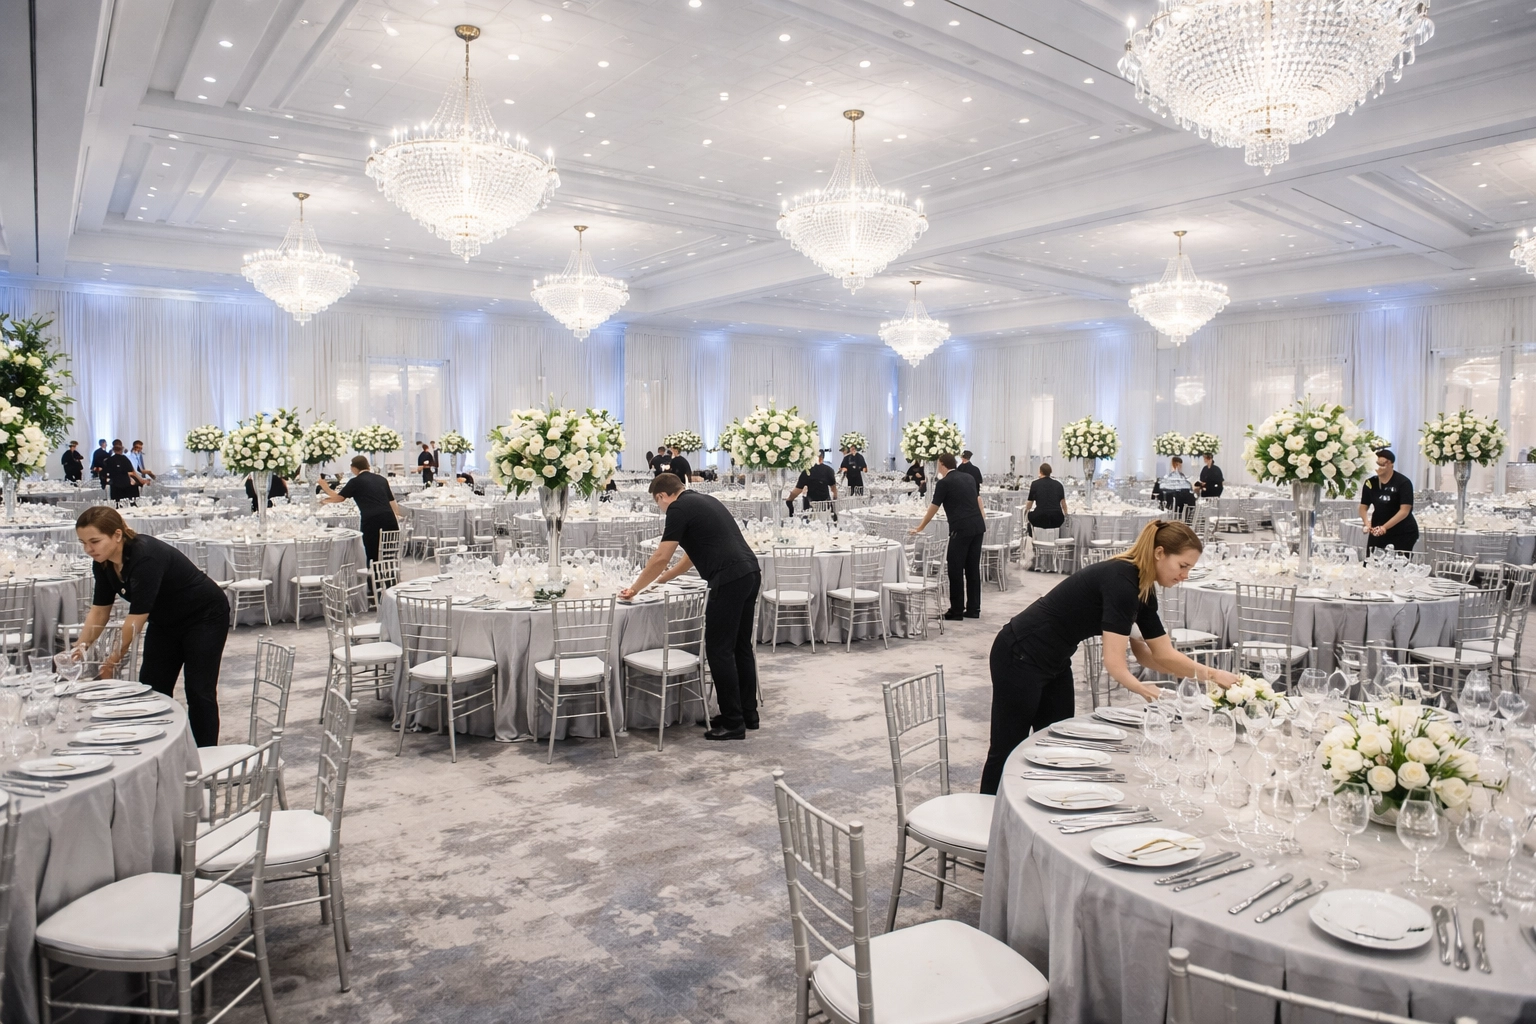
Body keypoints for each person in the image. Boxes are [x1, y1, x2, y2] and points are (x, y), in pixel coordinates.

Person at [978, 519, 1241, 793]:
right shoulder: (1122, 582)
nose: (1185, 575)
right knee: (1007, 747)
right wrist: (1147, 691)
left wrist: (1211, 676)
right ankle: (989, 813)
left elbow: (1159, 655)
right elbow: (1114, 664)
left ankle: (1043, 800)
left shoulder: (1143, 589)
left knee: (1059, 742)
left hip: (1055, 659)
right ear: (1159, 553)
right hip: (1019, 651)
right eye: (1183, 566)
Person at [72, 506, 230, 746]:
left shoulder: (145, 557)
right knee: (152, 687)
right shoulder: (103, 563)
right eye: (83, 543)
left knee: (199, 690)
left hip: (204, 615)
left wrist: (112, 660)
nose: (88, 549)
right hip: (165, 619)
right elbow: (100, 610)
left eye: (94, 541)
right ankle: (159, 749)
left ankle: (205, 756)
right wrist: (80, 646)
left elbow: (136, 618)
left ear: (117, 535)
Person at [621, 473, 762, 741]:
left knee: (719, 650)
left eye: (658, 503)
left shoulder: (677, 508)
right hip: (750, 572)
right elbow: (690, 557)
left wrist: (635, 588)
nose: (661, 509)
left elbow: (661, 556)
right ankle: (748, 714)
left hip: (729, 578)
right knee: (741, 647)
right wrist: (662, 580)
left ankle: (733, 722)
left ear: (661, 496)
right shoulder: (704, 500)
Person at [910, 453, 986, 620]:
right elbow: (977, 499)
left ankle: (956, 610)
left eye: (938, 464)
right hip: (977, 526)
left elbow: (934, 507)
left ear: (942, 464)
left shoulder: (944, 483)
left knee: (955, 569)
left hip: (961, 528)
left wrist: (921, 526)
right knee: (972, 568)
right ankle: (974, 609)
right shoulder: (968, 478)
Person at [319, 455, 403, 564]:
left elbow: (339, 498)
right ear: (367, 466)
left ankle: (373, 574)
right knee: (389, 553)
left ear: (354, 468)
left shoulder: (355, 482)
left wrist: (325, 490)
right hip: (390, 521)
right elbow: (392, 501)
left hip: (372, 522)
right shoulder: (381, 479)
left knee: (372, 555)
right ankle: (390, 573)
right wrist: (397, 515)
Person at [1359, 449, 1419, 554]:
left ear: (1391, 464)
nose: (1378, 468)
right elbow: (1363, 506)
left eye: (1382, 464)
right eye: (1376, 464)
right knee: (1372, 559)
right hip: (1378, 527)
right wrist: (1366, 523)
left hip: (1402, 530)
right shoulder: (1370, 483)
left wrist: (1384, 527)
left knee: (1398, 562)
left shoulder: (1403, 482)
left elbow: (1404, 511)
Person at [1024, 463, 1068, 531]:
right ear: (1050, 472)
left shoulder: (1035, 484)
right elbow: (1063, 504)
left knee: (1030, 516)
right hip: (1056, 518)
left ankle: (1033, 535)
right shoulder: (1059, 485)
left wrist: (1026, 509)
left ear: (1040, 472)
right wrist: (1066, 515)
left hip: (1040, 518)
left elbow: (1029, 506)